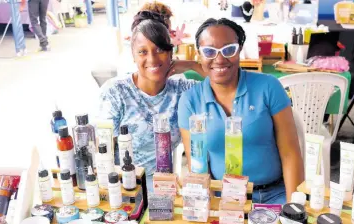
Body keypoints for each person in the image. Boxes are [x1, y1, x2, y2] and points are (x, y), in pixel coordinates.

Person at [178, 18, 304, 204]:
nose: (219, 59)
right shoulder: (190, 101)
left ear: (240, 49)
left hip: (274, 195)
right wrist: (212, 211)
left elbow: (290, 153)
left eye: (229, 49)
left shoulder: (268, 87)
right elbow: (199, 168)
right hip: (223, 197)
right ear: (199, 55)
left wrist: (293, 208)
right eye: (209, 51)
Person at [98, 11, 204, 192]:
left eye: (160, 50)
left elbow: (226, 83)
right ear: (133, 56)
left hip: (164, 187)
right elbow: (103, 154)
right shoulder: (116, 92)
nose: (152, 59)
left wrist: (192, 65)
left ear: (171, 52)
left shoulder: (183, 90)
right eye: (142, 52)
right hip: (124, 186)